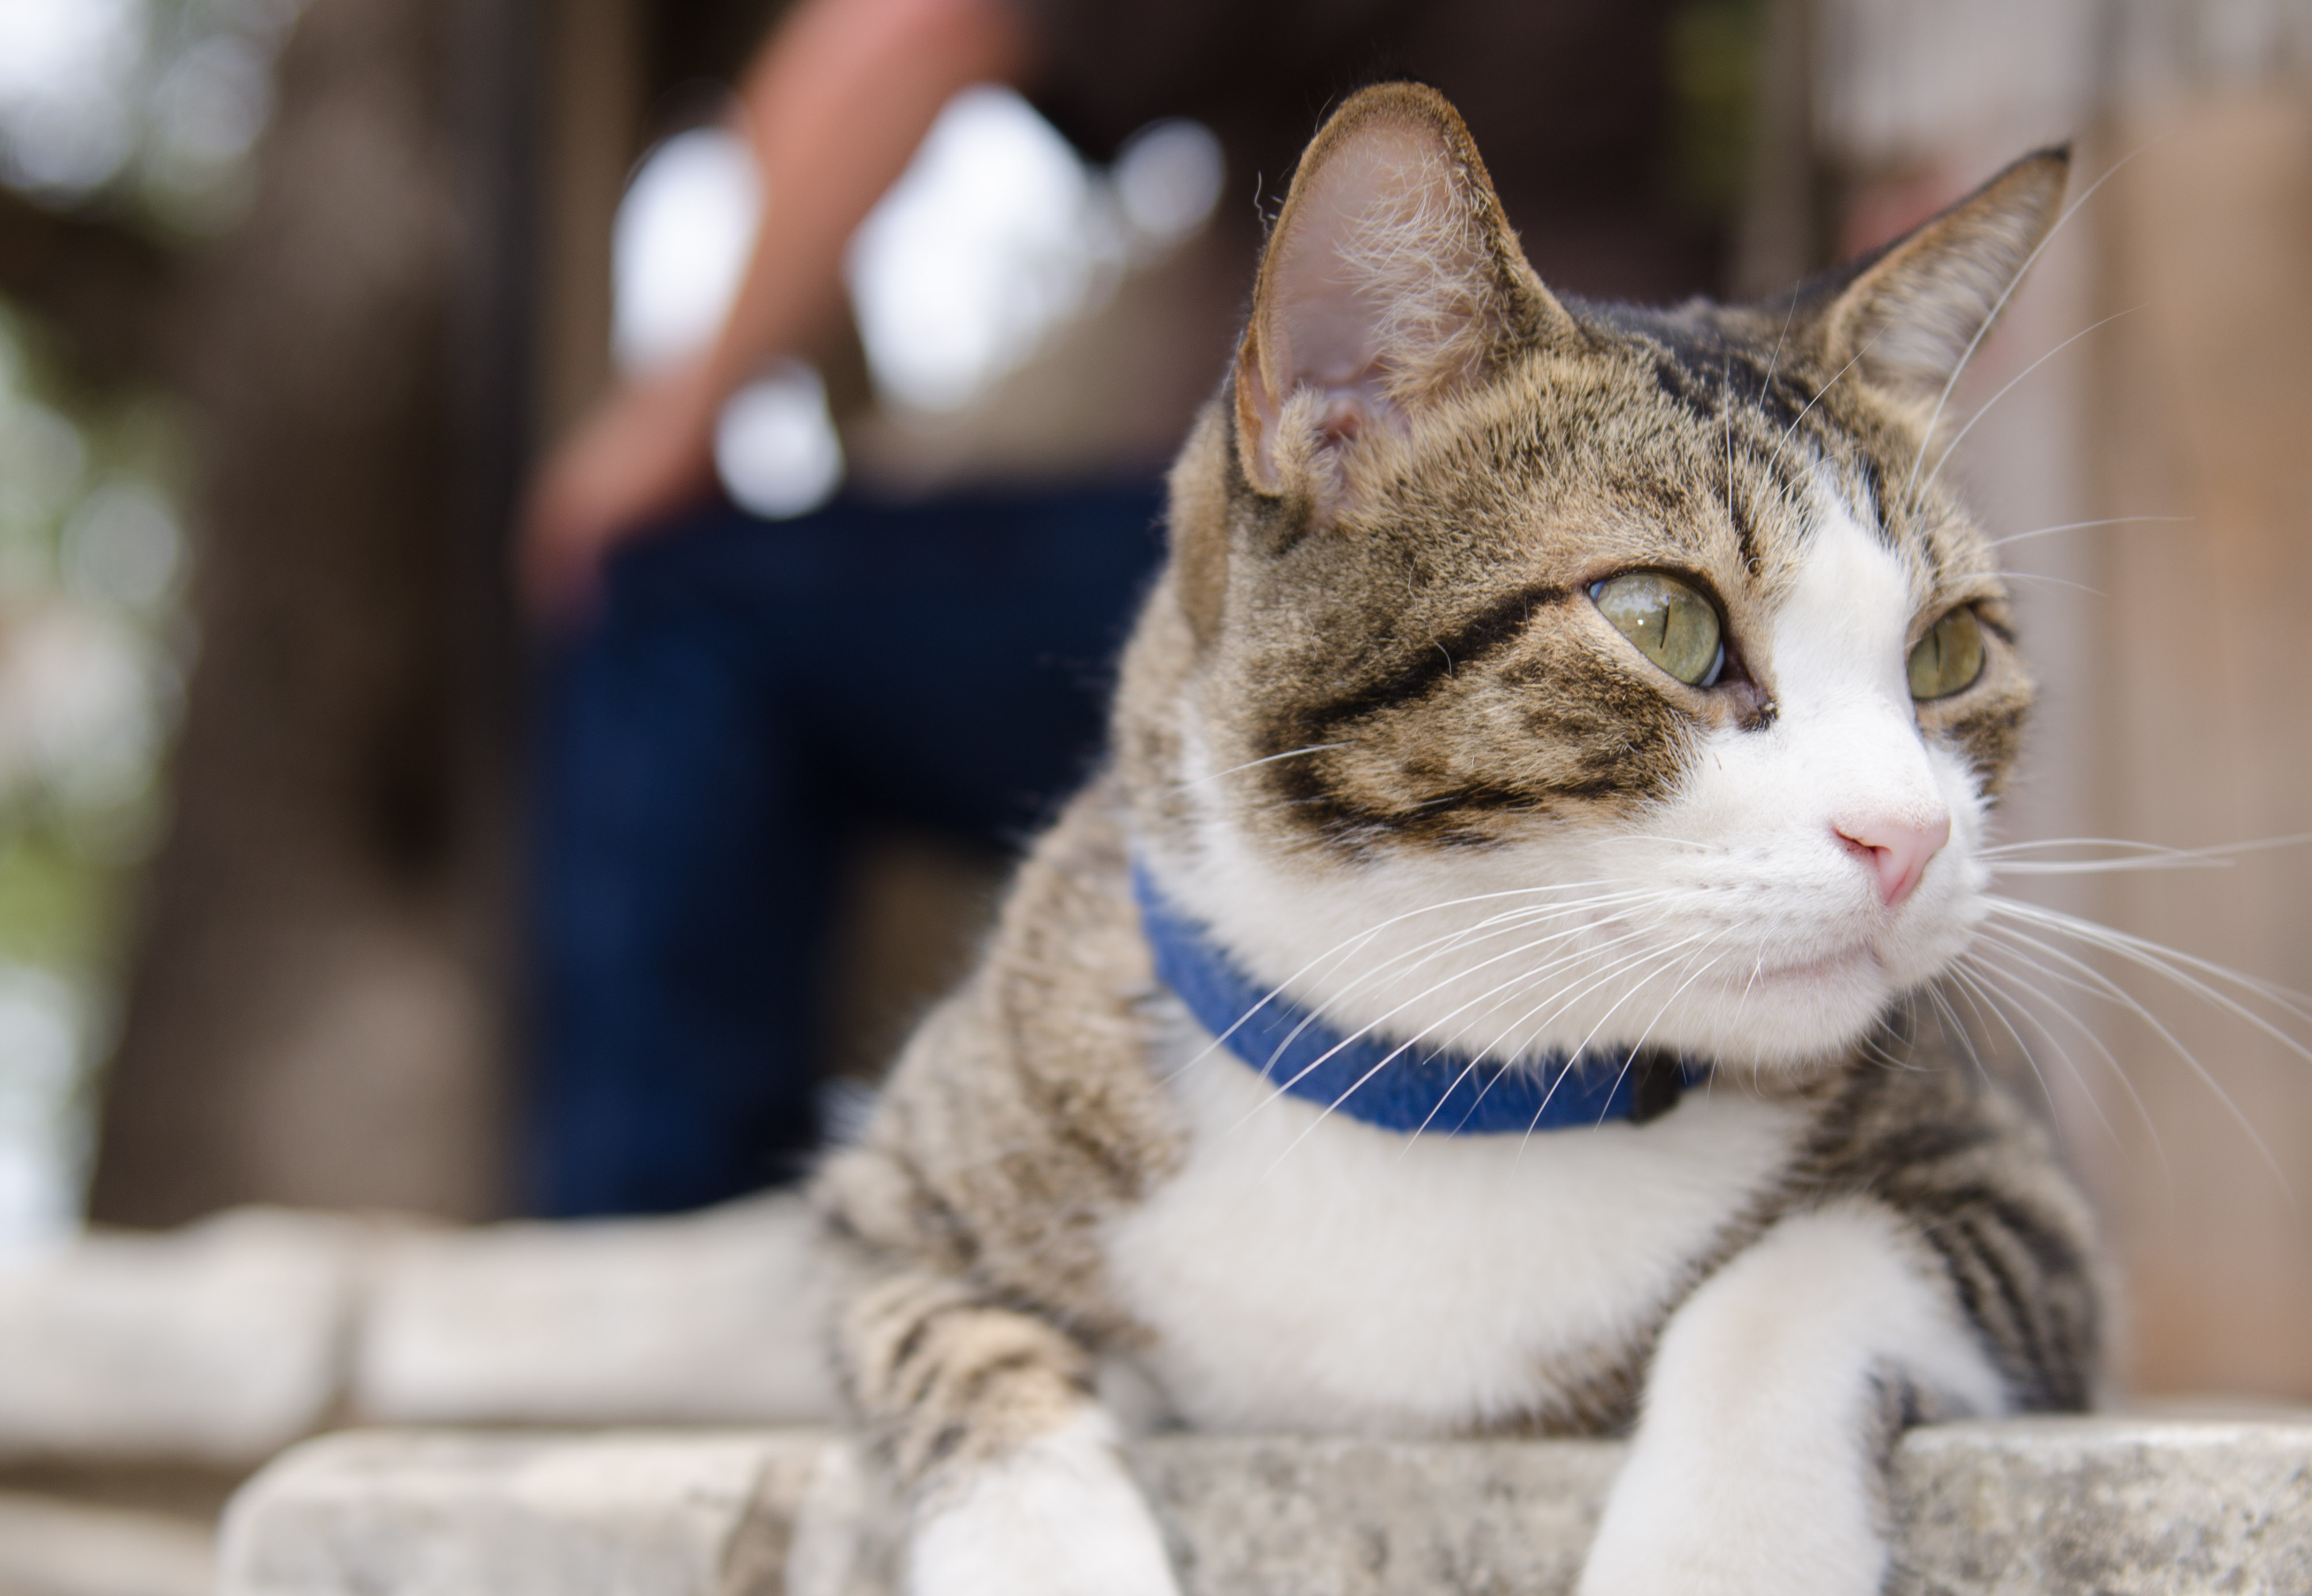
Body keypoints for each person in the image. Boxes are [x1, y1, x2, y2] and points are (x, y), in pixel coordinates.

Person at [516, 0, 1710, 1217]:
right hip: (1601, 544)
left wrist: (671, 419)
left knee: (683, 603)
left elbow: (910, 26)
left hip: (1394, 554)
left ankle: (644, 1233)